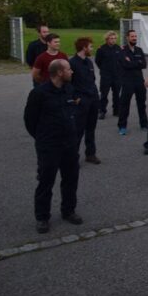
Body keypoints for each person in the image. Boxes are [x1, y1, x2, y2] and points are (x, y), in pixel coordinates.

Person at [24, 59, 83, 234]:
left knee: (71, 179)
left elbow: (73, 111)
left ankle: (68, 210)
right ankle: (42, 217)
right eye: (68, 69)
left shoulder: (69, 89)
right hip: (49, 145)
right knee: (46, 181)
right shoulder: (39, 93)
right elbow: (30, 121)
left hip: (69, 143)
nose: (71, 72)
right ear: (59, 72)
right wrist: (43, 138)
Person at [69, 37, 101, 165]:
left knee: (91, 129)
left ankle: (90, 154)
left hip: (93, 99)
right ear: (84, 48)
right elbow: (68, 83)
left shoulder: (89, 62)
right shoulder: (72, 63)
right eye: (90, 47)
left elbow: (92, 79)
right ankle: (72, 157)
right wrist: (75, 98)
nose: (92, 49)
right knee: (78, 130)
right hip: (81, 101)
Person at [117, 30, 148, 135]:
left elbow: (144, 64)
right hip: (127, 81)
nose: (134, 38)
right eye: (132, 36)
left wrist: (132, 62)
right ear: (127, 38)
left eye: (135, 36)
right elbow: (125, 65)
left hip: (139, 81)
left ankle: (144, 124)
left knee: (142, 104)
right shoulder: (122, 50)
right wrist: (136, 63)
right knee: (124, 105)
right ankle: (122, 126)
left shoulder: (139, 50)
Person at [95, 31, 122, 119]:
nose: (113, 40)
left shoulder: (118, 48)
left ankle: (116, 110)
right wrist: (104, 69)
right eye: (111, 38)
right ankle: (102, 111)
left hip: (117, 76)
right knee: (104, 94)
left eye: (114, 38)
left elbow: (121, 61)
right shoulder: (101, 49)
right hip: (106, 76)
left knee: (116, 94)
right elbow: (97, 61)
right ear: (107, 39)